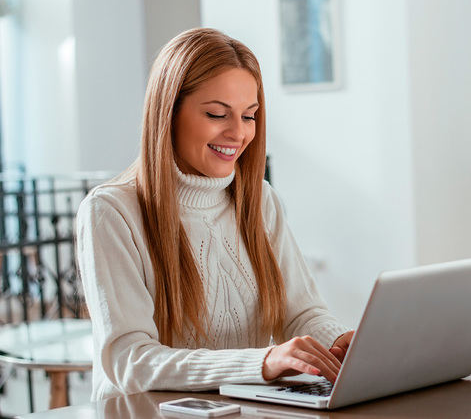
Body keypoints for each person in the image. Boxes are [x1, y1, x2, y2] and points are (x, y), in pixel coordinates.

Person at [76, 28, 354, 400]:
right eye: (217, 114)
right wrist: (262, 363)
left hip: (239, 408)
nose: (238, 133)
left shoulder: (259, 201)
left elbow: (302, 313)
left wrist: (341, 342)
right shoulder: (111, 212)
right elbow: (131, 360)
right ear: (168, 113)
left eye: (249, 116)